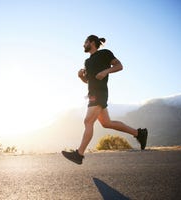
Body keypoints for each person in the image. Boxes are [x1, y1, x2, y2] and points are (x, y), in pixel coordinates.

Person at [62, 35, 148, 165]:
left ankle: (79, 154)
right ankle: (139, 133)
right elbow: (88, 80)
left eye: (85, 42)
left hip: (100, 93)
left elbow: (119, 66)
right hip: (93, 94)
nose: (83, 45)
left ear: (91, 42)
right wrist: (81, 77)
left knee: (88, 121)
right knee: (106, 123)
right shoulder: (87, 62)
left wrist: (106, 71)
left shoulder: (105, 54)